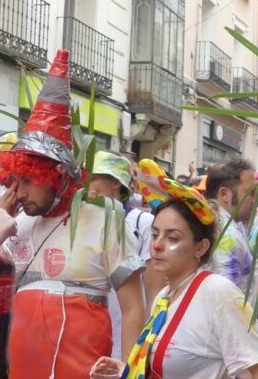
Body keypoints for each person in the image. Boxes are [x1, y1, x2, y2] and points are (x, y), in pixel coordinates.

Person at [0, 50, 145, 378]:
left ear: (58, 177)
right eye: (15, 180)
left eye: (28, 180)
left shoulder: (106, 221)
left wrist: (130, 370)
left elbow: (133, 306)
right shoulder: (14, 224)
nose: (19, 192)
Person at [91, 160, 258, 378]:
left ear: (201, 247)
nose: (157, 245)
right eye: (155, 234)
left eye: (172, 238)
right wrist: (126, 371)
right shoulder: (164, 297)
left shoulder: (218, 292)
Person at [89, 150, 166, 359]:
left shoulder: (143, 223)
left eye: (93, 178)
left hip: (125, 338)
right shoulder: (81, 222)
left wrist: (140, 352)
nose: (86, 185)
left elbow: (154, 292)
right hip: (89, 339)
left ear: (116, 182)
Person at [203, 158, 257, 292]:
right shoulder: (226, 234)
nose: (255, 200)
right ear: (224, 194)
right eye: (250, 193)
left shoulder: (215, 221)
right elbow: (224, 296)